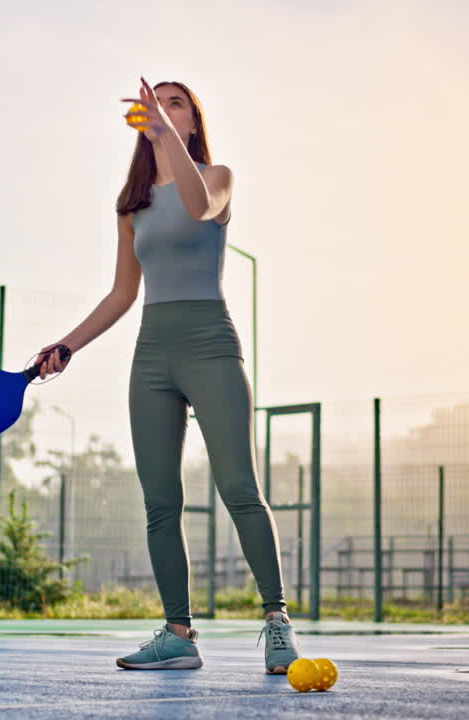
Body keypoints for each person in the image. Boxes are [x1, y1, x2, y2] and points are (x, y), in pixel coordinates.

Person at [34, 76, 298, 673]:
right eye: (160, 102)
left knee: (239, 490)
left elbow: (201, 207)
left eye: (177, 103)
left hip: (210, 344)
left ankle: (277, 620)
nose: (163, 108)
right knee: (160, 502)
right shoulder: (131, 205)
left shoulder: (216, 179)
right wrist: (67, 345)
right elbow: (123, 292)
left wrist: (163, 136)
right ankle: (179, 634)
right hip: (152, 354)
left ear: (193, 123)